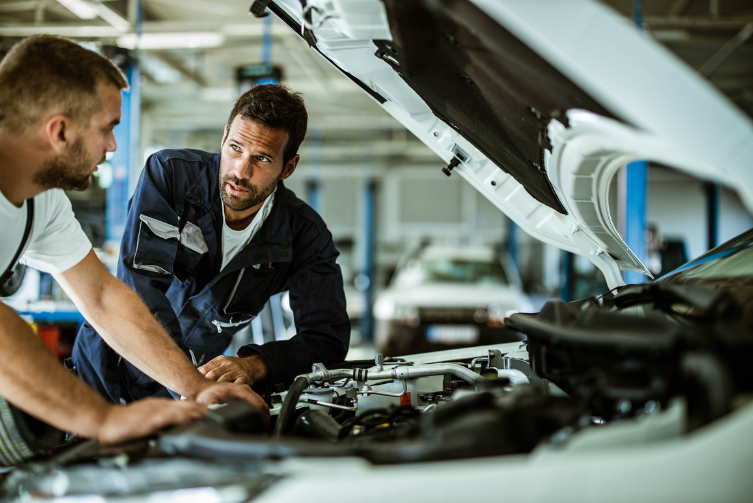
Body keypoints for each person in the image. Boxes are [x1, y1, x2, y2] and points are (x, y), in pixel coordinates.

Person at [0, 35, 268, 448]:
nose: (113, 146)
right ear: (59, 130)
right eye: (107, 128)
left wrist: (193, 386)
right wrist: (102, 420)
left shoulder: (41, 200)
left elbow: (102, 295)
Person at [72, 83, 350, 403]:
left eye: (261, 158)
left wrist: (257, 364)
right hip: (104, 371)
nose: (240, 171)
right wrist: (190, 383)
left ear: (288, 167)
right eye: (235, 148)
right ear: (223, 138)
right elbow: (140, 288)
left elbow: (327, 338)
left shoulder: (303, 236)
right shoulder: (171, 177)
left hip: (188, 394)